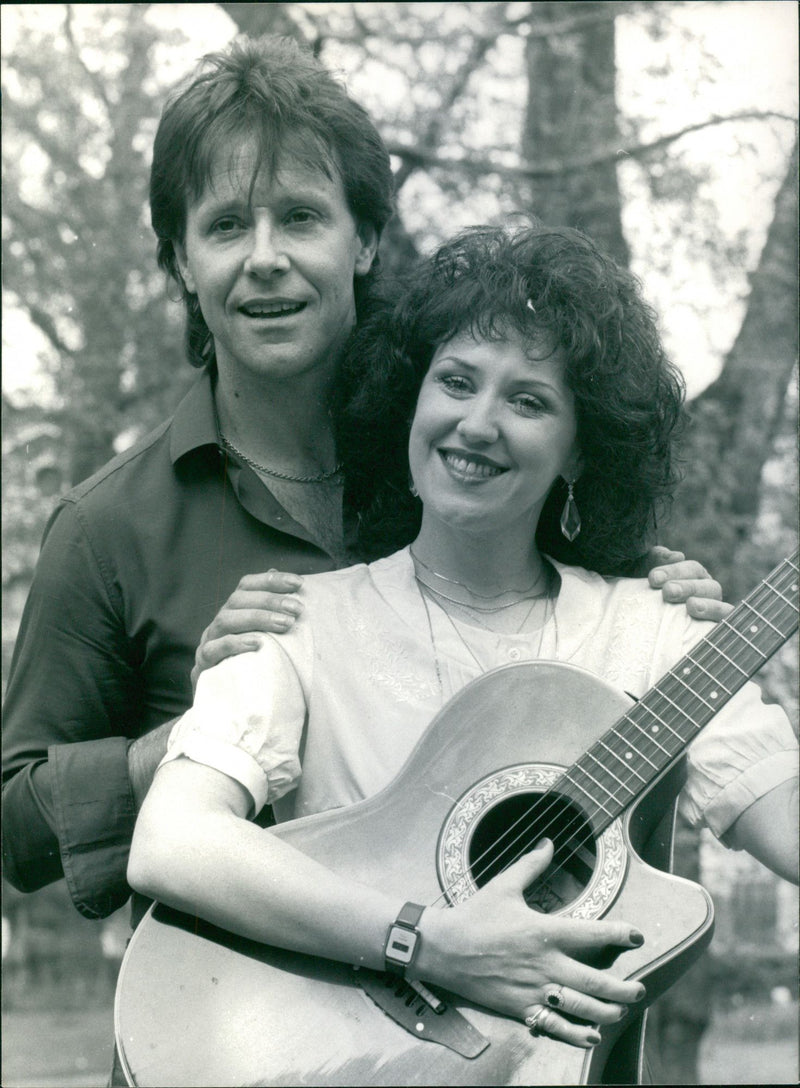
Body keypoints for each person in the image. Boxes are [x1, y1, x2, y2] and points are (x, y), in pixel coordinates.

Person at [1, 35, 726, 926]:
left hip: (487, 1019)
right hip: (221, 1026)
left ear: (367, 240)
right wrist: (193, 743)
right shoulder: (107, 525)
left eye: (301, 217)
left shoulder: (459, 457)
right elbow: (16, 824)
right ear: (182, 262)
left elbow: (574, 617)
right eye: (226, 225)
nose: (265, 257)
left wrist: (653, 584)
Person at [127, 223, 798, 1077]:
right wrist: (425, 939)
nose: (476, 424)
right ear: (412, 404)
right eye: (455, 382)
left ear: (581, 448)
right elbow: (171, 840)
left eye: (528, 400)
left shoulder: (660, 631)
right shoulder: (299, 623)